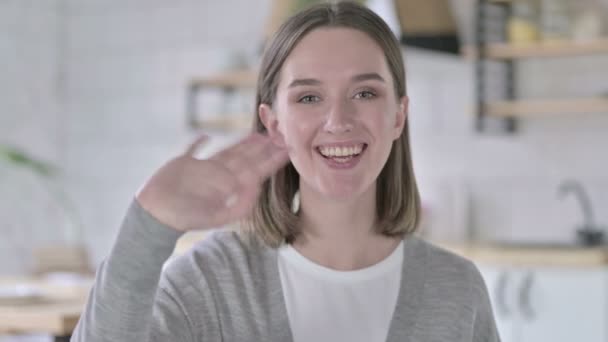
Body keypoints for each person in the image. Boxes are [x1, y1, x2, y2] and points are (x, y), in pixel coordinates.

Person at [72, 1, 500, 341]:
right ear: (273, 122)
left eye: (365, 92)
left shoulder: (455, 290)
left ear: (398, 116)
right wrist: (149, 225)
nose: (338, 120)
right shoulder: (212, 283)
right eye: (309, 98)